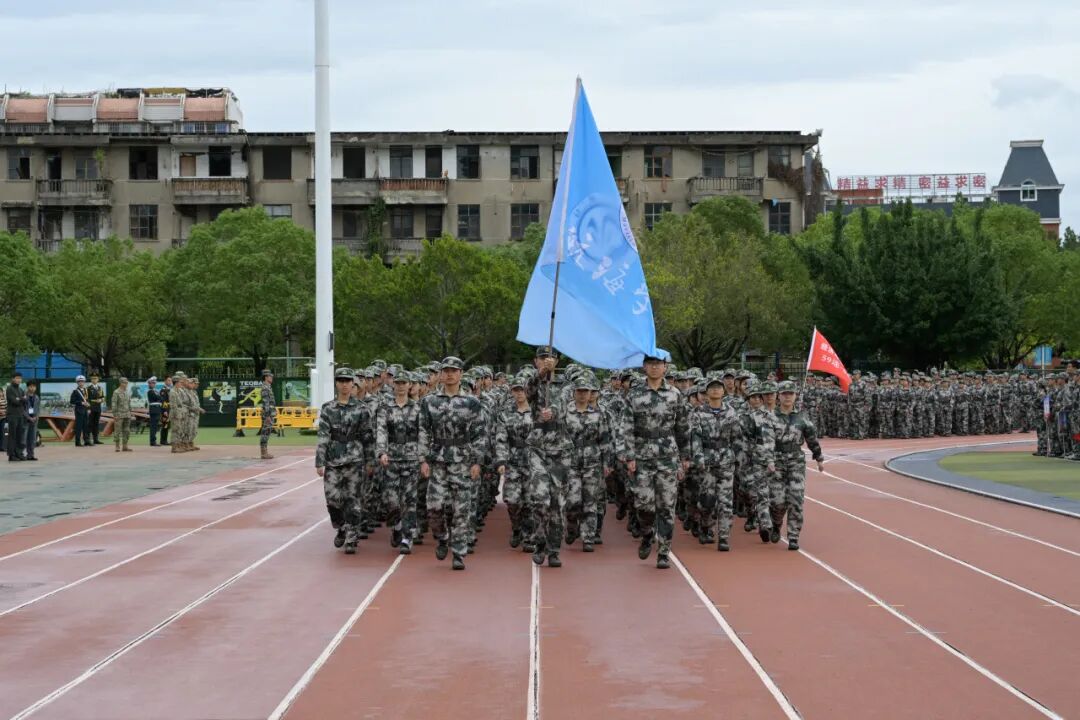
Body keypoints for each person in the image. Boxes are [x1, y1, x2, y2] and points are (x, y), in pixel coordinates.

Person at [622, 354, 690, 570]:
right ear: (644, 367)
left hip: (667, 455)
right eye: (650, 364)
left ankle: (663, 551)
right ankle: (647, 533)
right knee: (644, 504)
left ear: (665, 367)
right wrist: (629, 456)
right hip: (642, 454)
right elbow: (626, 427)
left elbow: (683, 427)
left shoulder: (675, 394)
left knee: (667, 506)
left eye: (658, 364)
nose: (654, 368)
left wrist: (685, 456)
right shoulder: (634, 394)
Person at [418, 356, 485, 571]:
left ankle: (458, 552)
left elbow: (479, 434)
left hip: (463, 461)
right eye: (446, 370)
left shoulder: (472, 403)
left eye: (454, 371)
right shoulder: (430, 401)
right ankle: (442, 537)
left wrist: (477, 461)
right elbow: (423, 431)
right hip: (438, 460)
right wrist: (423, 459)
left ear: (461, 374)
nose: (449, 374)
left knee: (461, 509)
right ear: (440, 374)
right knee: (434, 506)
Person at [524, 346, 573, 568]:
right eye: (542, 357)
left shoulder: (566, 384)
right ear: (536, 361)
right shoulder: (532, 380)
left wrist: (552, 411)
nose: (547, 360)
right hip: (538, 448)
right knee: (539, 499)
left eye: (551, 357)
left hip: (560, 450)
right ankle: (539, 542)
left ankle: (554, 549)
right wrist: (540, 375)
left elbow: (564, 404)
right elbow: (528, 393)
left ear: (557, 361)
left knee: (557, 504)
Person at [316, 367, 372, 555]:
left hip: (355, 460)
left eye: (348, 381)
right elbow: (323, 435)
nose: (344, 384)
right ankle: (340, 527)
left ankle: (351, 537)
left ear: (352, 384)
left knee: (353, 500)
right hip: (333, 460)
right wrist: (319, 461)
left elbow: (367, 436)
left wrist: (370, 461)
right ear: (336, 383)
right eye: (341, 381)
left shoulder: (361, 408)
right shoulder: (328, 408)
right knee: (332, 499)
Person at [691, 374, 742, 551]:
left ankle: (724, 537)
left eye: (718, 387)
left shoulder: (731, 412)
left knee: (726, 502)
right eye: (712, 388)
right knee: (707, 501)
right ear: (706, 392)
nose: (715, 390)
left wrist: (738, 459)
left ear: (723, 391)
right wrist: (698, 457)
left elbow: (736, 437)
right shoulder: (698, 413)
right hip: (706, 462)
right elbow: (695, 437)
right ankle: (705, 525)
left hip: (726, 461)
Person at [772, 381, 824, 551]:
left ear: (795, 396)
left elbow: (811, 438)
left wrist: (818, 457)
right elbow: (763, 441)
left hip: (796, 461)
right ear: (778, 396)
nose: (787, 396)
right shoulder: (771, 416)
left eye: (791, 393)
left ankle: (793, 535)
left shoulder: (802, 417)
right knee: (778, 501)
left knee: (796, 499)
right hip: (776, 461)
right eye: (784, 393)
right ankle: (776, 523)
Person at [376, 371, 421, 555]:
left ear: (409, 385)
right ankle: (396, 527)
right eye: (398, 383)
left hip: (412, 458)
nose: (401, 386)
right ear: (393, 384)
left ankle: (407, 537)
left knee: (409, 499)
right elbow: (381, 431)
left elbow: (423, 433)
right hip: (392, 458)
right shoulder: (385, 408)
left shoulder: (417, 408)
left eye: (404, 383)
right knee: (391, 499)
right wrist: (382, 452)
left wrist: (423, 456)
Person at [5, 372, 27, 461]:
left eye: (20, 378)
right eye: (17, 378)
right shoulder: (9, 389)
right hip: (12, 415)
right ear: (13, 379)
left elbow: (25, 400)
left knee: (19, 435)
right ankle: (11, 455)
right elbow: (15, 401)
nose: (19, 380)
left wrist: (20, 399)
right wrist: (21, 399)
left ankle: (18, 453)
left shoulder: (20, 389)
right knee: (12, 435)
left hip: (20, 414)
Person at [258, 369, 277, 460]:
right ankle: (263, 453)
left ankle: (265, 452)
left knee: (267, 432)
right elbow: (266, 403)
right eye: (270, 376)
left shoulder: (268, 387)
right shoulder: (265, 388)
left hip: (270, 413)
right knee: (265, 433)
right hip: (267, 414)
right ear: (266, 377)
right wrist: (268, 416)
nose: (271, 378)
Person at [112, 377, 134, 452]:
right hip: (119, 414)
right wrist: (115, 414)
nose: (126, 384)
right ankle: (117, 446)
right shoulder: (116, 392)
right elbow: (114, 404)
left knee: (127, 430)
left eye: (126, 383)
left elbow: (129, 403)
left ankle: (125, 446)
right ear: (121, 383)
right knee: (117, 431)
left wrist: (131, 412)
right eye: (124, 383)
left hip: (127, 414)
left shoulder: (127, 392)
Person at [71, 375, 92, 447]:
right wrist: (81, 403)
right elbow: (72, 401)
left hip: (86, 410)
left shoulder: (86, 390)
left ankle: (86, 441)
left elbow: (88, 400)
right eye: (79, 381)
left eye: (82, 381)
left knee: (86, 426)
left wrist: (89, 408)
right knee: (79, 426)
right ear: (77, 382)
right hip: (79, 411)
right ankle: (77, 442)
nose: (81, 383)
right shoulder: (75, 391)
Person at [86, 373, 106, 445]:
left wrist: (101, 400)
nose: (94, 380)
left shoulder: (100, 388)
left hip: (98, 407)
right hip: (91, 407)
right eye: (93, 378)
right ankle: (87, 439)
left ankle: (96, 439)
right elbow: (86, 399)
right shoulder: (88, 388)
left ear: (98, 379)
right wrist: (88, 408)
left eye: (95, 378)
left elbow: (103, 397)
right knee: (90, 423)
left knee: (96, 423)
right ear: (91, 380)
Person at [23, 380, 39, 460]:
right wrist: (28, 417)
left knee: (32, 438)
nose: (32, 388)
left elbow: (38, 409)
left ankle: (31, 455)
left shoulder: (36, 397)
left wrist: (36, 417)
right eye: (31, 386)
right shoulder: (24, 397)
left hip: (34, 420)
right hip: (25, 420)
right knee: (24, 438)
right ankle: (21, 454)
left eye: (34, 386)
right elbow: (22, 409)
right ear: (28, 387)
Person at [146, 377, 163, 446]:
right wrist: (160, 398)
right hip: (154, 410)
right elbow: (158, 398)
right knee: (153, 426)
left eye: (154, 383)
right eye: (152, 383)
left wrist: (160, 398)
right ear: (149, 384)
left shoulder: (155, 391)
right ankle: (152, 441)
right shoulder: (150, 391)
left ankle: (154, 440)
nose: (153, 384)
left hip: (157, 409)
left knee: (155, 426)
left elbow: (161, 398)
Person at [159, 375, 173, 446]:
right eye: (168, 380)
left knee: (167, 425)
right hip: (165, 410)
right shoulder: (163, 390)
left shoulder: (169, 389)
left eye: (170, 380)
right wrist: (165, 410)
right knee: (165, 425)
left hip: (169, 409)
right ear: (165, 381)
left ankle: (165, 440)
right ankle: (163, 440)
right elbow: (163, 401)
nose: (170, 382)